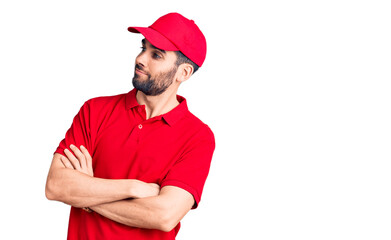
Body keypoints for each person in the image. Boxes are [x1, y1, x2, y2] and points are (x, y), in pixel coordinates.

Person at [45, 12, 215, 240]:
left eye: (156, 55)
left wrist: (88, 195)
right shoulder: (95, 110)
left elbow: (164, 216)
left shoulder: (197, 137)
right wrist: (132, 188)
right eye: (143, 48)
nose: (141, 59)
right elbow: (56, 186)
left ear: (183, 73)